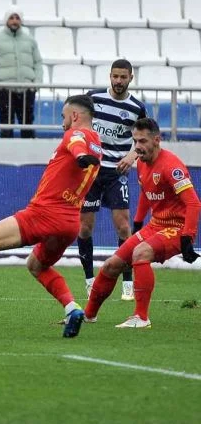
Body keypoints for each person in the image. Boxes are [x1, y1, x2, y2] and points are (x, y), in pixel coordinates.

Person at [0, 95, 103, 339]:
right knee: (37, 265)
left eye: (64, 117)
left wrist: (79, 156)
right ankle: (72, 308)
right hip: (70, 223)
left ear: (75, 116)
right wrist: (80, 156)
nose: (63, 123)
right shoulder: (98, 144)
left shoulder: (76, 135)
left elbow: (75, 141)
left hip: (44, 213)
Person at [85, 118, 201, 328]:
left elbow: (193, 203)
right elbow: (147, 195)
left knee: (140, 253)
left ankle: (141, 317)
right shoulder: (141, 163)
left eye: (143, 141)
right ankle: (88, 315)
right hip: (155, 226)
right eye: (135, 141)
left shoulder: (171, 166)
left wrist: (187, 238)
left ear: (157, 140)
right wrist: (138, 224)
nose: (137, 146)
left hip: (177, 228)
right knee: (111, 265)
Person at [76, 59, 148, 300]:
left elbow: (144, 140)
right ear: (110, 76)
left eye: (123, 77)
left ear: (131, 78)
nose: (118, 81)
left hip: (117, 173)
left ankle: (127, 282)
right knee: (84, 228)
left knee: (124, 227)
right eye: (115, 76)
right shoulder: (93, 98)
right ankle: (89, 280)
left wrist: (132, 155)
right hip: (91, 171)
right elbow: (78, 126)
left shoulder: (137, 108)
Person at [0, 6, 43, 139]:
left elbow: (38, 62)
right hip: (4, 90)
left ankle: (28, 150)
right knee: (6, 123)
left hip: (26, 89)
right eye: (11, 18)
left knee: (27, 123)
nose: (14, 21)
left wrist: (36, 84)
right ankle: (5, 151)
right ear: (6, 20)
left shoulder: (30, 40)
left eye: (17, 18)